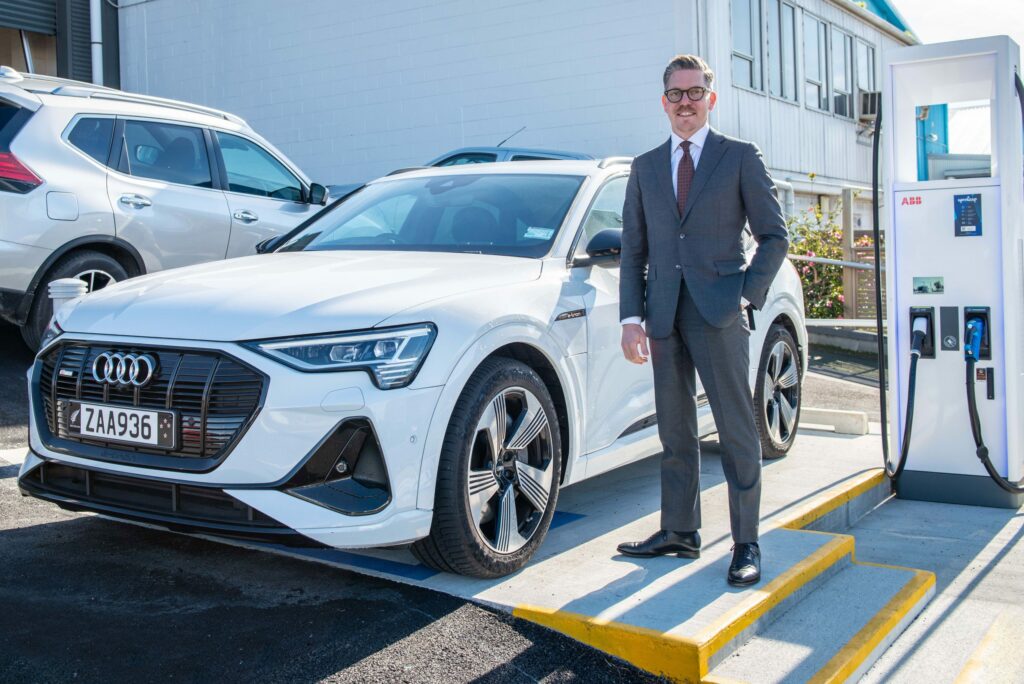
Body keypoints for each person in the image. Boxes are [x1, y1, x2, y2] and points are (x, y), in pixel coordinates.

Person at [616, 54, 789, 586]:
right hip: (663, 314)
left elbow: (775, 237)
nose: (685, 102)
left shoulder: (738, 157)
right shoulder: (644, 168)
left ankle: (746, 544)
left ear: (710, 99)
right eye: (676, 94)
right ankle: (679, 532)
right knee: (675, 432)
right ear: (663, 101)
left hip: (720, 312)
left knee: (738, 432)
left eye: (695, 93)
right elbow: (633, 251)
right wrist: (631, 317)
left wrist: (745, 295)